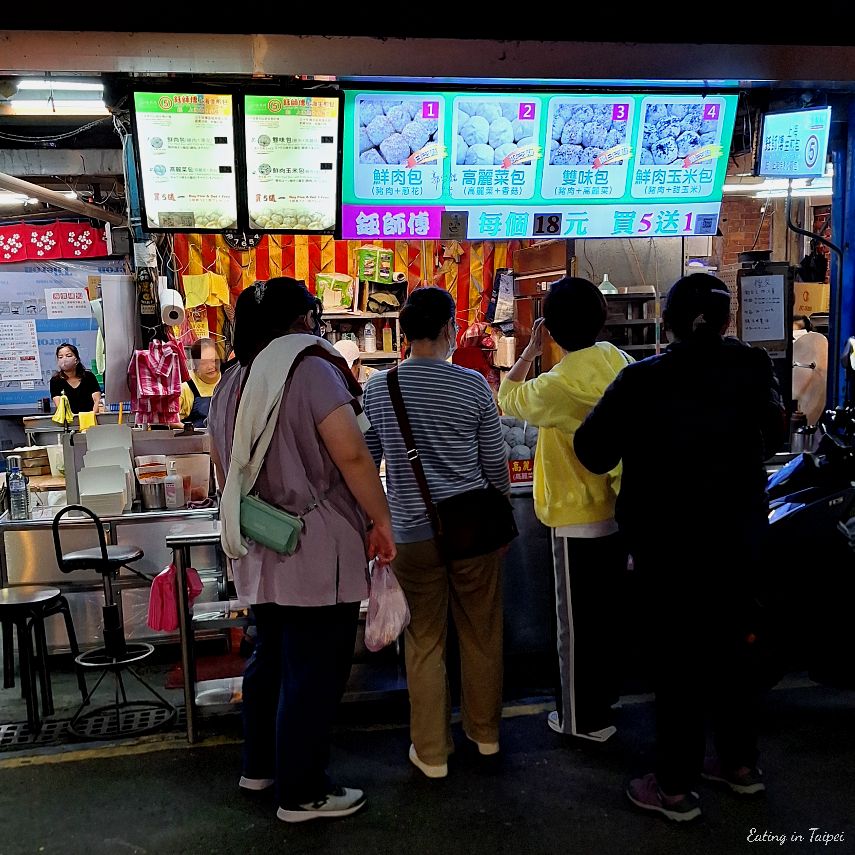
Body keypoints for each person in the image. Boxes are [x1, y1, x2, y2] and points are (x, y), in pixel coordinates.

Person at [574, 273, 785, 823]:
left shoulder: (642, 380)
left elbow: (593, 451)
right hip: (740, 541)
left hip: (667, 549)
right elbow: (779, 433)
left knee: (677, 665)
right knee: (735, 651)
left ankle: (673, 787)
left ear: (666, 323)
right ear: (726, 321)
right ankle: (739, 765)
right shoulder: (751, 366)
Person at [207, 277, 395, 824]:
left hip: (260, 545)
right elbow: (354, 458)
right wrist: (380, 520)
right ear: (299, 322)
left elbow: (223, 465)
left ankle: (259, 766)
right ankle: (303, 792)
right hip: (316, 550)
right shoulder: (310, 371)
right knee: (314, 672)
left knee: (270, 661)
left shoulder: (231, 382)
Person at [362, 286, 510, 778]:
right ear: (449, 329)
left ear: (404, 333)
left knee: (424, 640)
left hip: (410, 536)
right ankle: (485, 735)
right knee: (481, 634)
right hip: (471, 532)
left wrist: (377, 520)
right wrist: (501, 512)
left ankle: (431, 753)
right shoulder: (473, 386)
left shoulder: (380, 388)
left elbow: (368, 459)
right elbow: (495, 463)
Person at [498, 277, 631, 743]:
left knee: (574, 631)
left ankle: (580, 721)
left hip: (575, 519)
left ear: (550, 329)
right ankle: (603, 702)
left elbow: (508, 399)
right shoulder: (619, 361)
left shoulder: (559, 383)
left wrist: (529, 352)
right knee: (604, 623)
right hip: (616, 513)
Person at [177, 337, 221, 428]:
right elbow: (170, 420)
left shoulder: (228, 379)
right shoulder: (186, 386)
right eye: (204, 363)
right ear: (195, 365)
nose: (210, 366)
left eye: (214, 361)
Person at [50, 343, 100, 414]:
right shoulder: (55, 380)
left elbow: (97, 400)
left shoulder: (89, 376)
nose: (64, 359)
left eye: (68, 356)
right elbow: (59, 405)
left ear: (77, 360)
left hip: (90, 419)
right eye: (60, 357)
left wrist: (92, 416)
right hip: (69, 421)